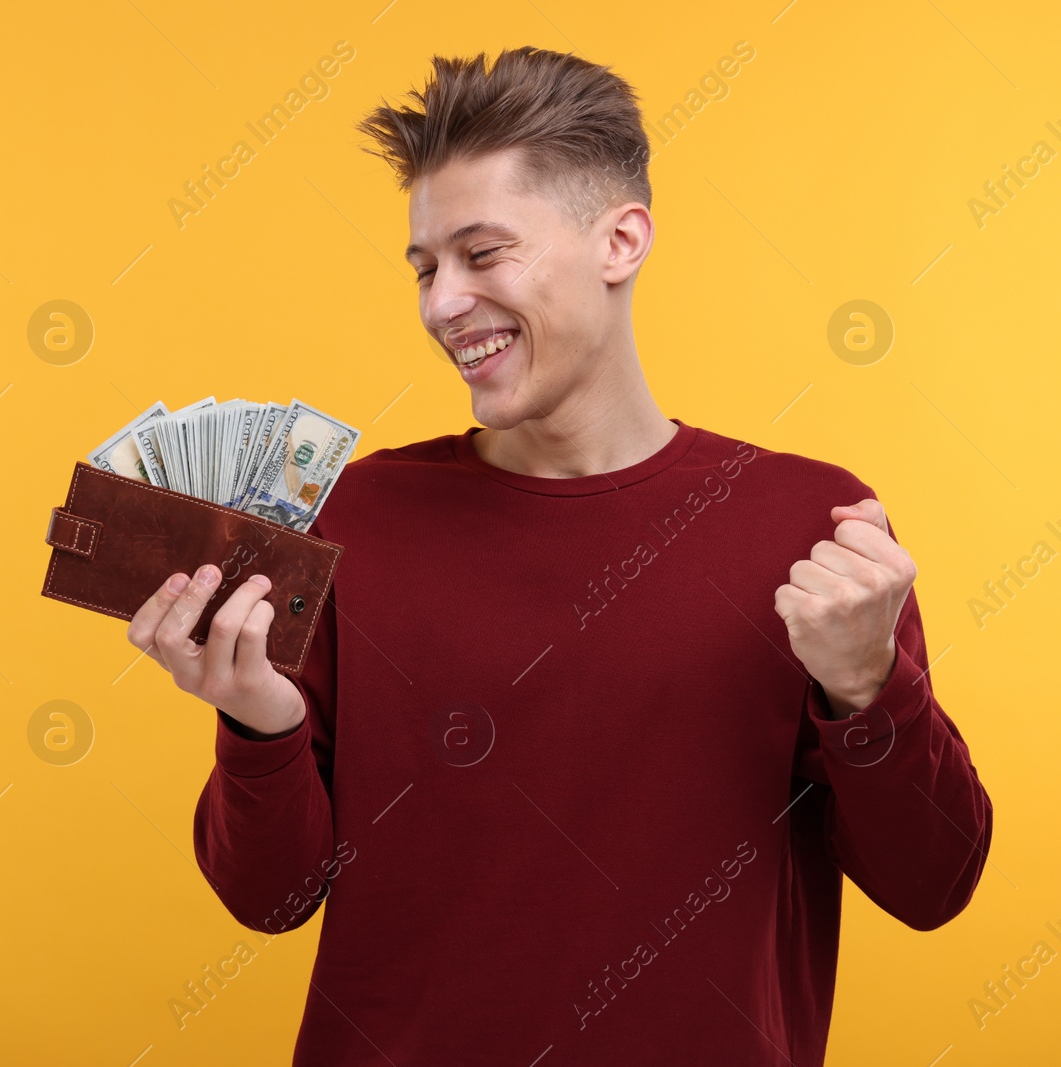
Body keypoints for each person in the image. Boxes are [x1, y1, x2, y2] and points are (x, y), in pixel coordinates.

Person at [125, 45, 992, 1065]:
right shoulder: (350, 516)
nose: (441, 302)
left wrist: (868, 687)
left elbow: (932, 883)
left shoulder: (811, 524)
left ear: (620, 239)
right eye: (423, 266)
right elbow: (269, 900)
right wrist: (257, 720)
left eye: (483, 254)